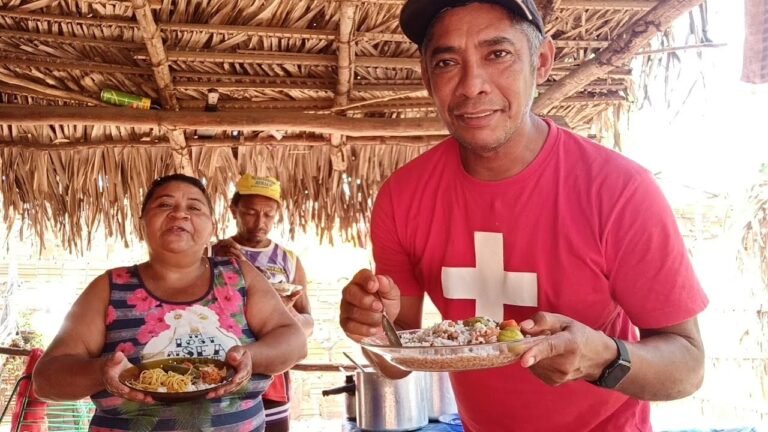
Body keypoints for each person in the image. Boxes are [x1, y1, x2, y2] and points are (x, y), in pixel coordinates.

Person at [338, 1, 709, 431]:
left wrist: (603, 357)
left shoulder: (618, 190)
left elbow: (688, 366)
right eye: (446, 62)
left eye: (498, 54)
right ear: (427, 78)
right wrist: (370, 329)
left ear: (542, 60)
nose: (472, 85)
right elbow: (397, 360)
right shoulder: (402, 198)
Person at [33, 174, 307, 432]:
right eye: (164, 204)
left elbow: (294, 341)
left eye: (195, 207)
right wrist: (100, 372)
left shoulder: (239, 276)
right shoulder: (109, 287)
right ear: (142, 223)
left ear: (212, 226)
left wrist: (251, 357)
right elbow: (45, 380)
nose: (179, 213)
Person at [212, 174, 313, 432]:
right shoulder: (214, 253)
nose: (260, 222)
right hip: (221, 367)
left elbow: (308, 324)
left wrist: (284, 309)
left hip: (273, 373)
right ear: (234, 209)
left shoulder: (288, 260)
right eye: (250, 212)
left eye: (268, 214)